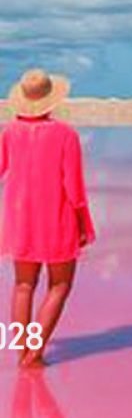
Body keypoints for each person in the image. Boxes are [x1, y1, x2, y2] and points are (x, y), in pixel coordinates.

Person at [0, 69, 96, 368]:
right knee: (60, 285)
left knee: (22, 285)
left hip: (20, 219)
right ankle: (34, 355)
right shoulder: (66, 135)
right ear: (50, 101)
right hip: (57, 217)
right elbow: (74, 187)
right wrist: (83, 223)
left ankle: (21, 353)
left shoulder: (9, 133)